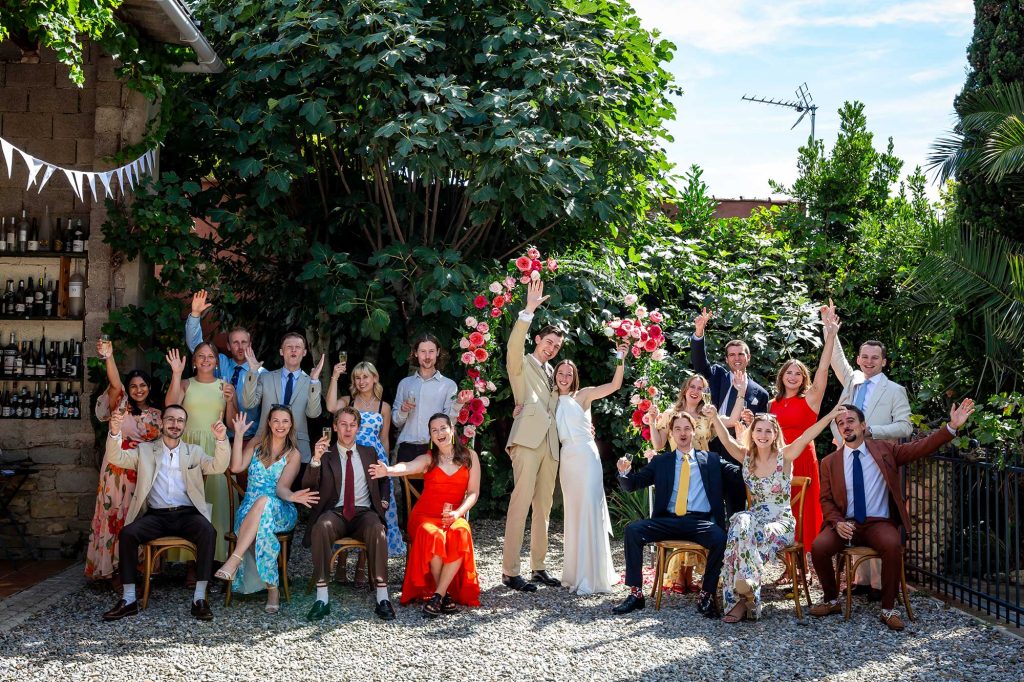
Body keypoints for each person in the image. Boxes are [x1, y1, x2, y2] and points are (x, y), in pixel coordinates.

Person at [810, 400, 974, 631]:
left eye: (851, 421)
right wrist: (836, 523)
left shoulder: (885, 451)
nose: (846, 426)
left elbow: (921, 447)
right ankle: (832, 600)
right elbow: (825, 499)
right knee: (818, 547)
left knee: (892, 544)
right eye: (841, 423)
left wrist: (951, 428)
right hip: (845, 524)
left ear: (863, 425)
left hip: (878, 522)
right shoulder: (829, 463)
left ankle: (888, 608)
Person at [705, 403, 841, 622]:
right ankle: (746, 587)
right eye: (758, 430)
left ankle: (740, 598)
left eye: (768, 430)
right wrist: (714, 418)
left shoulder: (784, 456)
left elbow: (807, 436)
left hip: (780, 521)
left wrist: (831, 415)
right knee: (740, 520)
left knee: (744, 533)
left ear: (775, 433)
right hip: (754, 519)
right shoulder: (747, 457)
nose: (763, 434)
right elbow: (727, 440)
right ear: (752, 433)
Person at [100, 405, 230, 622]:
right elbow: (116, 458)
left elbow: (218, 466)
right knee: (128, 534)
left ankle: (200, 598)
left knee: (208, 531)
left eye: (180, 421)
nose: (175, 424)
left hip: (188, 514)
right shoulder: (145, 450)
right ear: (161, 423)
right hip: (157, 516)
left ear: (184, 426)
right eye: (170, 419)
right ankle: (129, 599)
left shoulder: (194, 452)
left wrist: (221, 439)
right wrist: (114, 432)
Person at [612, 412, 744, 618]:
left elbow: (739, 474)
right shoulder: (661, 462)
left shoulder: (711, 459)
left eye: (686, 429)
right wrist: (624, 473)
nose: (682, 433)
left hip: (699, 521)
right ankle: (636, 594)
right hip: (668, 520)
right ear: (671, 433)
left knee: (720, 537)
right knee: (633, 530)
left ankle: (706, 595)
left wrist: (755, 453)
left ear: (693, 431)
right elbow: (634, 484)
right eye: (677, 429)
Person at [822, 303, 912, 597]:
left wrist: (872, 431)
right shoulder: (853, 380)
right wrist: (829, 328)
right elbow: (836, 359)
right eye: (864, 356)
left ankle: (878, 585)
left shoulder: (895, 390)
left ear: (884, 362)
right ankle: (860, 580)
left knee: (876, 515)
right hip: (847, 456)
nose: (869, 361)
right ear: (859, 359)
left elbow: (905, 427)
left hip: (878, 461)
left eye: (875, 358)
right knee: (853, 510)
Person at [369, 413, 482, 616]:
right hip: (425, 516)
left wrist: (458, 513)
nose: (439, 433)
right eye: (434, 430)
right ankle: (444, 594)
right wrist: (389, 470)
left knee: (462, 532)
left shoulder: (470, 456)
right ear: (430, 435)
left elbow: (473, 493)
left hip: (453, 515)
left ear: (452, 430)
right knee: (434, 535)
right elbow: (408, 466)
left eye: (442, 428)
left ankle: (439, 595)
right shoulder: (429, 458)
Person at [214, 409, 318, 613]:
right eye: (276, 420)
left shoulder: (293, 454)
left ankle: (234, 560)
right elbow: (235, 467)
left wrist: (292, 497)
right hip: (249, 510)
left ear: (291, 425)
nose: (281, 425)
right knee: (262, 522)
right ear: (269, 423)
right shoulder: (255, 445)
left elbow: (281, 488)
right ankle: (273, 588)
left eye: (285, 421)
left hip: (280, 507)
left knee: (265, 501)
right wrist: (240, 436)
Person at [302, 407, 395, 622]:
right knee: (322, 526)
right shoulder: (326, 455)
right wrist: (315, 460)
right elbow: (308, 486)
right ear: (335, 427)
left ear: (358, 428)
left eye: (352, 425)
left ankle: (382, 597)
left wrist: (384, 498)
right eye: (343, 424)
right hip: (336, 512)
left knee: (377, 528)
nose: (347, 429)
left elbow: (383, 479)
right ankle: (322, 597)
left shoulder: (369, 451)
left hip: (364, 513)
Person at [767, 312, 840, 581]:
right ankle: (789, 567)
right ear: (782, 376)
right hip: (779, 461)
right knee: (781, 508)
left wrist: (830, 335)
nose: (794, 376)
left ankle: (805, 567)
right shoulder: (772, 405)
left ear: (804, 378)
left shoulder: (811, 399)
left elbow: (823, 370)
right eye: (789, 372)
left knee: (804, 510)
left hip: (804, 460)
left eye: (799, 373)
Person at [502, 279, 565, 592]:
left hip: (551, 446)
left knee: (544, 507)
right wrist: (528, 310)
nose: (551, 348)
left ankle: (538, 566)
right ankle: (510, 570)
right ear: (538, 339)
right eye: (548, 342)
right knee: (521, 502)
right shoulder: (522, 363)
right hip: (527, 441)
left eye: (556, 346)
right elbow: (515, 345)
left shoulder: (556, 373)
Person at [86, 339, 163, 588]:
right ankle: (114, 571)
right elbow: (115, 383)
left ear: (149, 388)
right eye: (134, 386)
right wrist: (108, 356)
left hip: (141, 472)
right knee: (113, 517)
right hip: (116, 470)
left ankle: (138, 570)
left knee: (136, 519)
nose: (138, 389)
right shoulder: (120, 404)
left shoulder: (157, 415)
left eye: (143, 385)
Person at [550, 344, 627, 595]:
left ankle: (593, 574)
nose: (564, 377)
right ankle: (574, 572)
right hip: (567, 458)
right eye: (560, 373)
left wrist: (619, 357)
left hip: (586, 455)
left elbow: (614, 385)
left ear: (575, 378)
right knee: (573, 513)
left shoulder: (583, 395)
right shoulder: (549, 399)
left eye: (569, 374)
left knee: (589, 509)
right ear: (554, 376)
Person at [166, 346, 238, 573]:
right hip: (189, 447)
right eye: (201, 356)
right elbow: (170, 407)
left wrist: (232, 400)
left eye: (211, 357)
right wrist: (176, 374)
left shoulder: (225, 386)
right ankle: (190, 564)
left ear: (217, 362)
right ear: (194, 361)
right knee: (190, 503)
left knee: (216, 502)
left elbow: (232, 421)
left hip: (215, 447)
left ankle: (214, 561)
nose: (206, 360)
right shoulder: (186, 384)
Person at [326, 360, 405, 558]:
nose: (361, 382)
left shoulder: (383, 407)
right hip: (350, 456)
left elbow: (384, 438)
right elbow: (330, 406)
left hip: (374, 458)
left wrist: (385, 467)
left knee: (375, 505)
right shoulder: (348, 401)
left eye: (365, 377)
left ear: (374, 378)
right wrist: (335, 376)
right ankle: (342, 559)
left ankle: (366, 561)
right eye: (357, 378)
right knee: (349, 500)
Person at [648, 373, 715, 593]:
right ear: (685, 389)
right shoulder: (671, 415)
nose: (695, 391)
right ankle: (680, 576)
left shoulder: (707, 417)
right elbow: (658, 445)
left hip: (701, 476)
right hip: (676, 474)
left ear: (705, 394)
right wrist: (651, 420)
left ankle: (690, 575)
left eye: (700, 388)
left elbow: (730, 424)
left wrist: (741, 394)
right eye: (692, 386)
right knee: (679, 515)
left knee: (697, 519)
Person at [690, 307, 770, 459]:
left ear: (748, 357)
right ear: (726, 359)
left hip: (738, 451)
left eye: (741, 354)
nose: (737, 358)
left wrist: (752, 421)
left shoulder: (760, 394)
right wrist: (699, 332)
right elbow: (699, 363)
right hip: (709, 444)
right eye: (732, 355)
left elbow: (763, 429)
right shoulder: (717, 376)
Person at [184, 289, 263, 440]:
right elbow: (198, 349)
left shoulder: (262, 372)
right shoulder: (221, 363)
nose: (240, 347)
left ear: (250, 344)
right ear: (228, 346)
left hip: (248, 438)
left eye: (244, 342)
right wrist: (195, 314)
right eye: (235, 343)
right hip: (217, 436)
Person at [242, 331, 325, 474]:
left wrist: (314, 381)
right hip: (265, 444)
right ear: (281, 351)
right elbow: (248, 403)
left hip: (298, 447)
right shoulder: (266, 377)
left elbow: (313, 414)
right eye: (289, 347)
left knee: (293, 492)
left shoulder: (311, 382)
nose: (293, 350)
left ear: (304, 352)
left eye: (298, 347)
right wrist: (253, 372)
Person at [392, 333, 467, 465]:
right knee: (408, 487)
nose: (427, 357)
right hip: (407, 449)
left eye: (431, 351)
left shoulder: (448, 385)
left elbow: (450, 422)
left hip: (436, 448)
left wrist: (459, 403)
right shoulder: (405, 384)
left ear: (438, 352)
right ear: (416, 353)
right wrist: (403, 410)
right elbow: (396, 422)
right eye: (423, 351)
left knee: (434, 487)